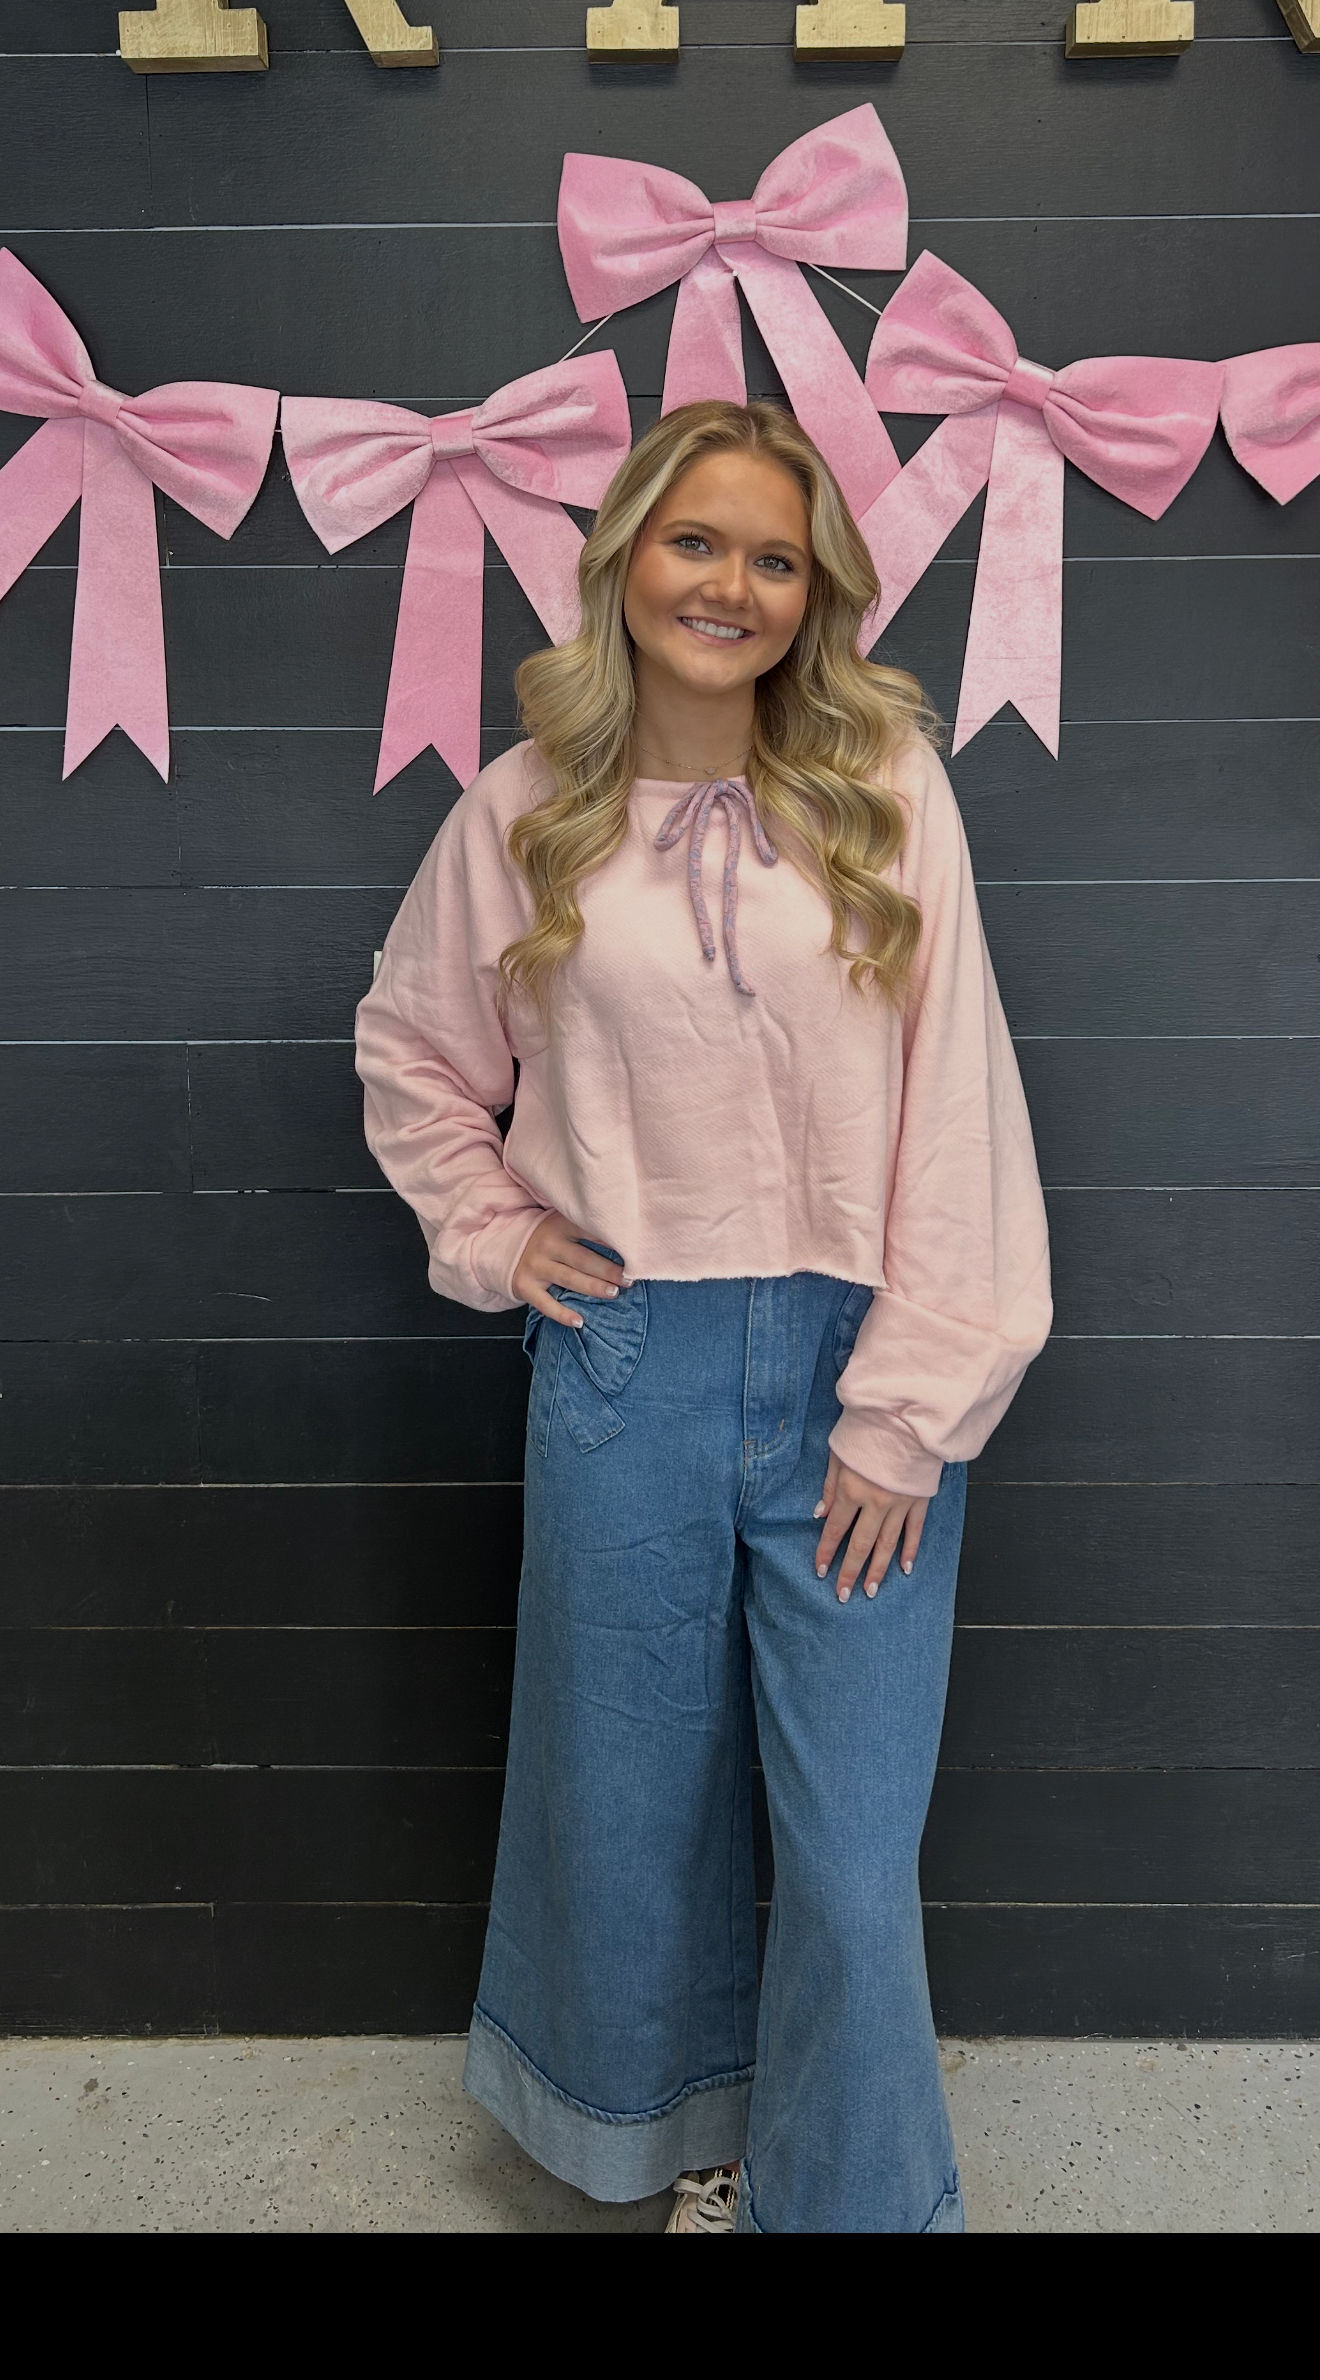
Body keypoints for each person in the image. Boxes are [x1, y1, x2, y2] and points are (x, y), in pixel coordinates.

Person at [355, 399, 1051, 2234]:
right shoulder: (523, 814)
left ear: (812, 593)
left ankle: (862, 2205)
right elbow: (415, 1054)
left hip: (855, 1365)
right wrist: (501, 1236)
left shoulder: (887, 786)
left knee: (846, 1851)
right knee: (628, 1797)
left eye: (771, 555)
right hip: (627, 1362)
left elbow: (960, 1104)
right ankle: (658, 2142)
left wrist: (908, 1408)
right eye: (695, 542)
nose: (729, 584)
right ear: (622, 561)